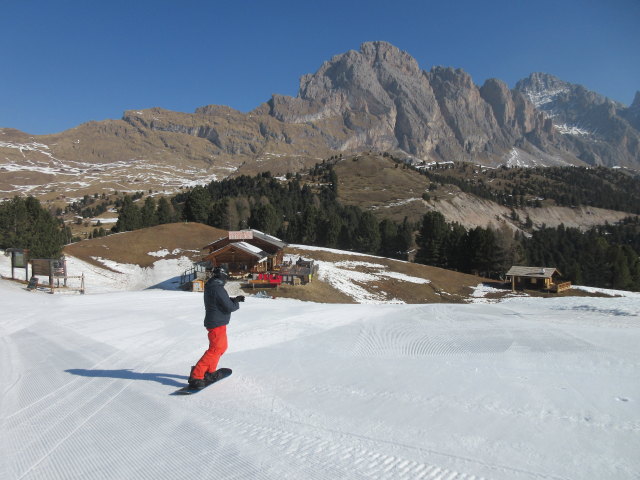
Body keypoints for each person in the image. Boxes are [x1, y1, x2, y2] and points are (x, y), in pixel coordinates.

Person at [188, 266, 244, 388]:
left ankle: (210, 371)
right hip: (216, 323)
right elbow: (229, 307)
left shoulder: (213, 286)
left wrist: (234, 299)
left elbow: (221, 301)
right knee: (215, 349)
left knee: (221, 348)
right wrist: (236, 302)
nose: (226, 280)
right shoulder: (217, 288)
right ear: (222, 276)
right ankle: (196, 376)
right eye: (226, 277)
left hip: (217, 321)